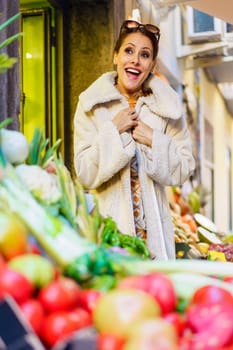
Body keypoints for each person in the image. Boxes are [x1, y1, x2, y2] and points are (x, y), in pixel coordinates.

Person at [73, 19, 195, 259]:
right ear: (115, 56)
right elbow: (84, 173)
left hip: (156, 241)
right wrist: (112, 131)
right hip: (109, 234)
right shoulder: (91, 106)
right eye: (128, 51)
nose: (135, 60)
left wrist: (154, 140)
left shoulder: (167, 109)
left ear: (152, 65)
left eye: (145, 55)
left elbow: (184, 168)